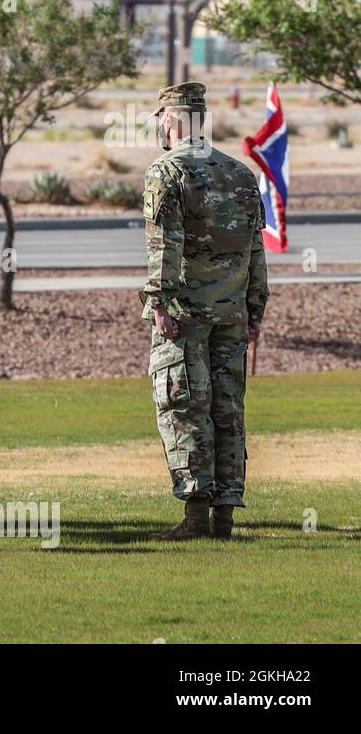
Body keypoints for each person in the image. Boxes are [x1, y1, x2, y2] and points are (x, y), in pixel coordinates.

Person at [141, 82, 269, 541]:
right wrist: (255, 309)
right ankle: (225, 519)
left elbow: (164, 246)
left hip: (186, 314)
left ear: (172, 119)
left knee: (184, 407)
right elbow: (256, 249)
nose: (159, 127)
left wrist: (159, 302)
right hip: (232, 311)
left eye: (160, 119)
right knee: (227, 410)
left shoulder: (167, 171)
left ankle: (197, 517)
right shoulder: (239, 173)